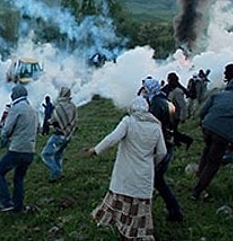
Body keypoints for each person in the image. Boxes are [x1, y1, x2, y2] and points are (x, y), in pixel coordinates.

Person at [86, 96, 167, 241]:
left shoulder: (129, 122)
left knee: (122, 200)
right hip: (144, 174)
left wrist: (96, 150)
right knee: (139, 206)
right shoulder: (155, 126)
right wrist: (151, 163)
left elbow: (112, 138)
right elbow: (162, 152)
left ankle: (120, 227)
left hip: (126, 173)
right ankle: (136, 233)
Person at [192, 69, 233, 201]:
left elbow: (202, 111)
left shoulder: (218, 95)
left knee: (207, 149)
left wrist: (203, 124)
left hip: (207, 127)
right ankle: (197, 191)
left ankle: (200, 173)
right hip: (223, 134)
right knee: (214, 162)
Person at [143, 77, 184, 222]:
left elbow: (152, 128)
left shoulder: (155, 105)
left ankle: (174, 211)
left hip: (160, 146)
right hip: (169, 144)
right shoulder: (168, 102)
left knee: (155, 181)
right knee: (156, 180)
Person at [0, 85, 38, 213]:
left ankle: (6, 202)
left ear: (16, 95)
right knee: (19, 178)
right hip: (30, 150)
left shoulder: (16, 108)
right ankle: (18, 207)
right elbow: (38, 128)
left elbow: (7, 129)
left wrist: (4, 137)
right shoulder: (33, 110)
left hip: (17, 149)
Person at [41, 87, 78, 182]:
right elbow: (74, 120)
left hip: (59, 134)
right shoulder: (73, 106)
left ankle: (57, 171)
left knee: (46, 154)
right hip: (68, 135)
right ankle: (55, 176)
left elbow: (52, 120)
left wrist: (48, 120)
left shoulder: (59, 107)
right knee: (58, 155)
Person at [162, 72, 193, 150]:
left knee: (173, 131)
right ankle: (178, 143)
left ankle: (187, 140)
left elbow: (182, 106)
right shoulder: (171, 89)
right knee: (173, 131)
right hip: (171, 114)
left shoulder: (178, 92)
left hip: (175, 116)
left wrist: (182, 117)